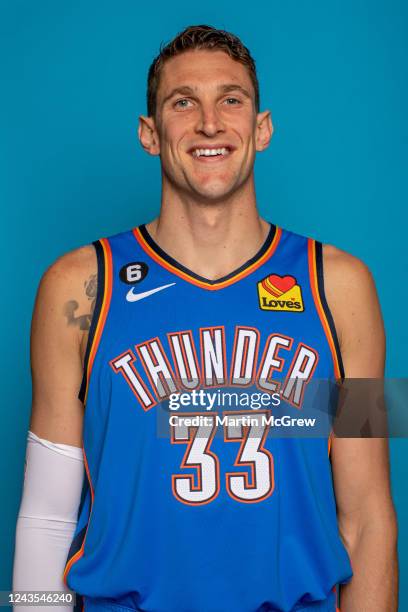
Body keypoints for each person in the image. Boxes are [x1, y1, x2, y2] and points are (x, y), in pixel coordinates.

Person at [13, 24, 398, 612]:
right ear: (150, 133)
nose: (210, 123)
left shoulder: (343, 287)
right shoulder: (75, 289)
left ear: (261, 129)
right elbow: (45, 515)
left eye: (232, 100)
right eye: (183, 102)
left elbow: (369, 515)